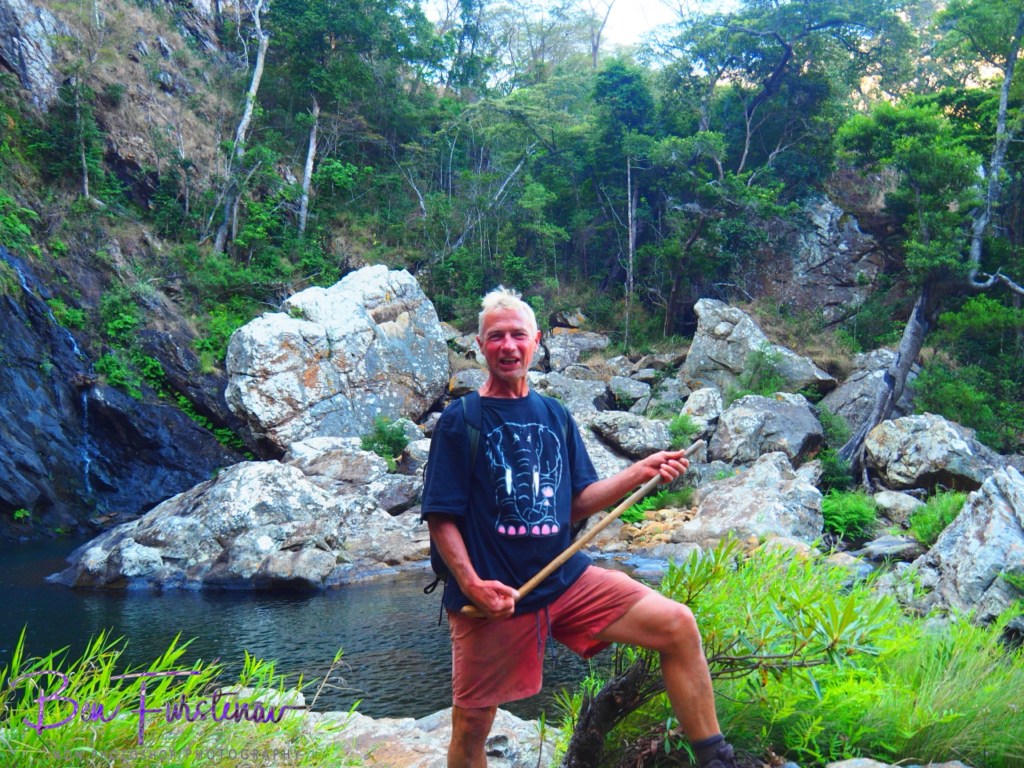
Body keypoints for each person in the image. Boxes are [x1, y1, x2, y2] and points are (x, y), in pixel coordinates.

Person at [421, 287, 737, 768]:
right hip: (496, 596)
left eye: (518, 335)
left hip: (565, 579)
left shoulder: (555, 415)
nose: (508, 346)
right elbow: (441, 515)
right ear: (480, 345)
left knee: (677, 625)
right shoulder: (461, 420)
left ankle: (717, 760)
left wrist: (641, 471)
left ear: (536, 341)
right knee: (470, 729)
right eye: (496, 336)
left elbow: (573, 506)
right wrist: (472, 584)